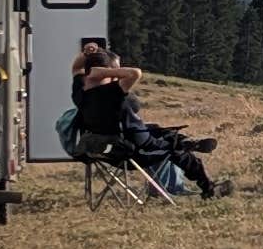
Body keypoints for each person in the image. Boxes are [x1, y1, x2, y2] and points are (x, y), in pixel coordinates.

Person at [71, 43, 221, 199]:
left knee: (158, 130)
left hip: (106, 151)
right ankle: (208, 187)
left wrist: (86, 55)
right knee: (176, 150)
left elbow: (76, 69)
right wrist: (104, 70)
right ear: (103, 72)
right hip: (133, 152)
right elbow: (135, 73)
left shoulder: (80, 93)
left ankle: (189, 142)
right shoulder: (112, 91)